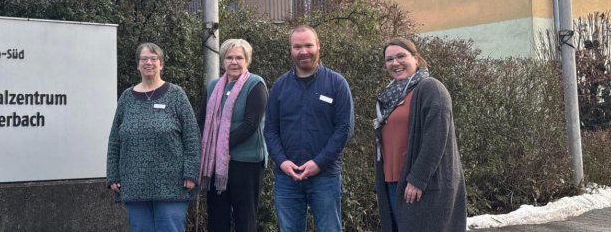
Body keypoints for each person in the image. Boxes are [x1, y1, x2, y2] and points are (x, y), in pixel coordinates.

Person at [264, 25, 354, 232]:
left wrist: (318, 163)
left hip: (325, 176)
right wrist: (282, 161)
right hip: (287, 177)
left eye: (308, 45)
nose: (303, 51)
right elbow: (270, 129)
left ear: (318, 46)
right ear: (290, 50)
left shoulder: (336, 84)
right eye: (297, 47)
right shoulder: (279, 86)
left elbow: (344, 129)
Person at [374, 37, 466, 232]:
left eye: (401, 56)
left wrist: (417, 179)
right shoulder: (391, 96)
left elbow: (437, 138)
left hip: (422, 184)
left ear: (416, 58)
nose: (395, 63)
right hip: (393, 182)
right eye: (389, 59)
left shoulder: (431, 88)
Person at [106, 43, 200, 232]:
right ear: (138, 65)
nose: (149, 62)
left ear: (161, 64)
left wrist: (191, 173)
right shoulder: (126, 98)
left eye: (153, 58)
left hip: (171, 185)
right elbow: (115, 139)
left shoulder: (176, 95)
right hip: (134, 184)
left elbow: (192, 137)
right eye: (144, 59)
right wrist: (113, 175)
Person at [198, 38, 268, 232]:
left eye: (239, 57)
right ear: (223, 61)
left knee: (245, 218)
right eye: (229, 57)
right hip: (215, 163)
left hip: (246, 163)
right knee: (217, 217)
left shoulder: (256, 84)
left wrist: (222, 147)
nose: (234, 62)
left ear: (247, 60)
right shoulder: (213, 86)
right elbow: (202, 119)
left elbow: (251, 124)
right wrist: (215, 150)